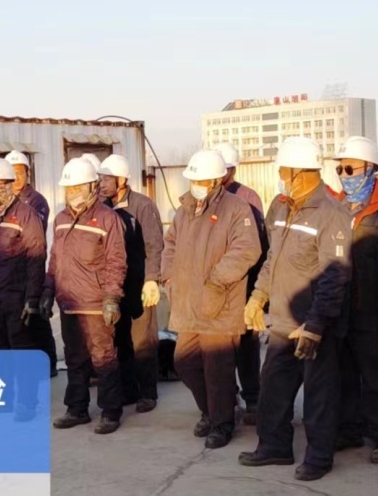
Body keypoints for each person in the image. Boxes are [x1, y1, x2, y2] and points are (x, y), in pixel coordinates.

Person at [238, 137, 353, 478]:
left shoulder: (331, 213)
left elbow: (335, 275)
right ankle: (273, 447)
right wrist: (258, 296)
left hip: (314, 324)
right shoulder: (282, 207)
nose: (280, 177)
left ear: (300, 173)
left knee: (319, 395)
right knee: (273, 386)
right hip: (283, 321)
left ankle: (318, 458)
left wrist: (316, 325)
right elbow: (273, 258)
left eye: (283, 171)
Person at [162, 149, 262, 448]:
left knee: (217, 369)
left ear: (218, 180)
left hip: (221, 303)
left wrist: (217, 280)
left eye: (202, 180)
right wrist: (169, 278)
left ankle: (221, 423)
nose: (196, 185)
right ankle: (211, 410)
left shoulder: (237, 208)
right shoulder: (185, 210)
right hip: (188, 302)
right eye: (193, 179)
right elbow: (170, 245)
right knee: (184, 362)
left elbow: (247, 250)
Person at [328, 136, 378, 463]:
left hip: (375, 309)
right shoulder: (335, 208)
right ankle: (349, 429)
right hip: (340, 307)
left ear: (370, 168)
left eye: (350, 169)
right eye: (340, 169)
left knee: (376, 376)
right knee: (343, 374)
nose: (344, 175)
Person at [41, 158, 128, 434]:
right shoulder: (61, 219)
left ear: (92, 186)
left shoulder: (107, 218)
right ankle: (76, 409)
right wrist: (48, 291)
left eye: (77, 187)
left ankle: (110, 411)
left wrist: (111, 298)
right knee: (75, 358)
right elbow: (55, 260)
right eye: (69, 188)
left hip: (95, 304)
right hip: (68, 302)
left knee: (103, 358)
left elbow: (116, 261)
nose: (72, 192)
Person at [0, 159, 47, 420]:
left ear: (9, 185)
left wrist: (32, 299)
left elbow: (36, 258)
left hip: (16, 297)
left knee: (22, 351)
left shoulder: (26, 215)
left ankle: (27, 402)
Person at [99, 153, 165, 413]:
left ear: (122, 180)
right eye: (101, 178)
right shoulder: (101, 208)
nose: (102, 183)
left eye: (107, 179)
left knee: (143, 341)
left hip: (139, 283)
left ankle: (148, 393)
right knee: (121, 339)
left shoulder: (142, 206)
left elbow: (155, 245)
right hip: (116, 285)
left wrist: (152, 279)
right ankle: (129, 390)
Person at [214, 141, 269, 424]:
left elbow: (256, 245)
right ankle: (226, 398)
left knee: (246, 343)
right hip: (215, 284)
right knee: (219, 347)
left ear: (232, 170)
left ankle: (253, 398)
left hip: (244, 282)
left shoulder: (247, 197)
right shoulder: (207, 197)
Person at [6, 150, 57, 375]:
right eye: (12, 173)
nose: (16, 178)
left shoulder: (36, 201)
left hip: (31, 265)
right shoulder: (5, 201)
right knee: (24, 320)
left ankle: (49, 363)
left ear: (28, 173)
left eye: (20, 172)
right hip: (11, 271)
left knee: (37, 317)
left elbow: (31, 234)